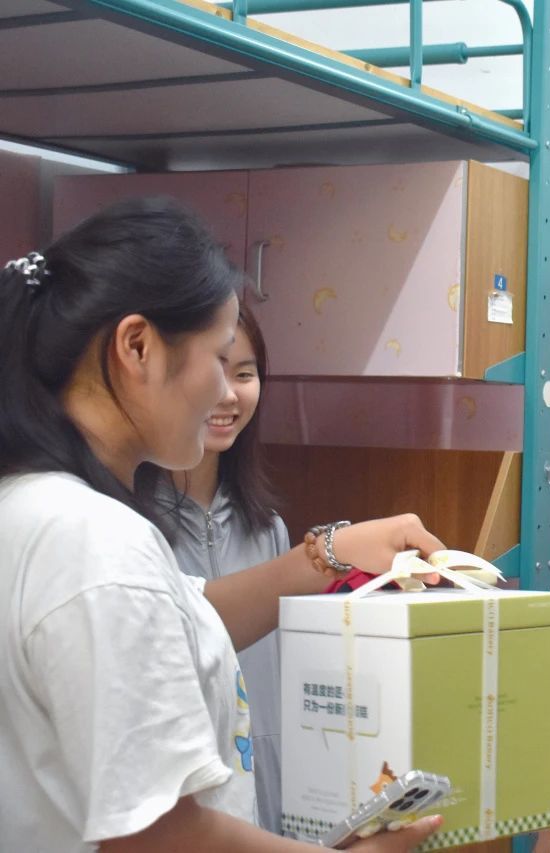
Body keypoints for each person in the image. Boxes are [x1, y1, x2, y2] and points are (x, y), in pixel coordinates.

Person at [0, 197, 443, 852]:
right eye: (217, 358)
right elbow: (157, 834)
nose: (223, 395)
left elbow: (192, 615)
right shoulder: (99, 543)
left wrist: (334, 550)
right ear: (137, 347)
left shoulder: (32, 507)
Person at [135, 306, 287, 833]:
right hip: (179, 806)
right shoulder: (129, 530)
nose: (228, 395)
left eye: (244, 373)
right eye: (215, 369)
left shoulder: (269, 529)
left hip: (270, 796)